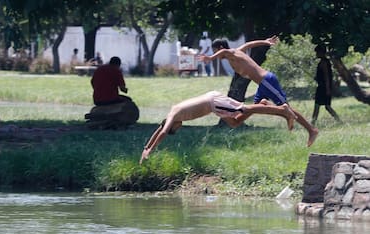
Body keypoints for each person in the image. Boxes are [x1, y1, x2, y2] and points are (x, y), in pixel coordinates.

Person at [199, 35, 319, 147]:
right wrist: (265, 42)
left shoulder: (231, 53)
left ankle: (311, 130)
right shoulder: (237, 52)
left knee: (286, 108)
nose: (216, 54)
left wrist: (210, 58)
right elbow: (249, 44)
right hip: (262, 84)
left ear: (220, 48)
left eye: (215, 51)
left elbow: (225, 51)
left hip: (267, 81)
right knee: (259, 106)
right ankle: (283, 113)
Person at [140, 90, 297, 164]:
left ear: (172, 124)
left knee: (245, 109)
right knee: (235, 123)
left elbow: (163, 132)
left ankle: (283, 110)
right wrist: (146, 148)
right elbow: (160, 130)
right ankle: (261, 104)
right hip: (214, 105)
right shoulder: (172, 114)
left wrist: (151, 150)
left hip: (213, 102)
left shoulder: (173, 116)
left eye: (176, 128)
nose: (179, 127)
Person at [311, 45, 341, 125]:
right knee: (326, 106)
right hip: (323, 86)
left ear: (321, 52)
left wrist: (327, 89)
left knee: (320, 105)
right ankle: (338, 120)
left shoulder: (324, 62)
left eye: (317, 52)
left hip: (323, 87)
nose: (316, 54)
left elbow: (327, 76)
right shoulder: (325, 62)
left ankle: (312, 123)